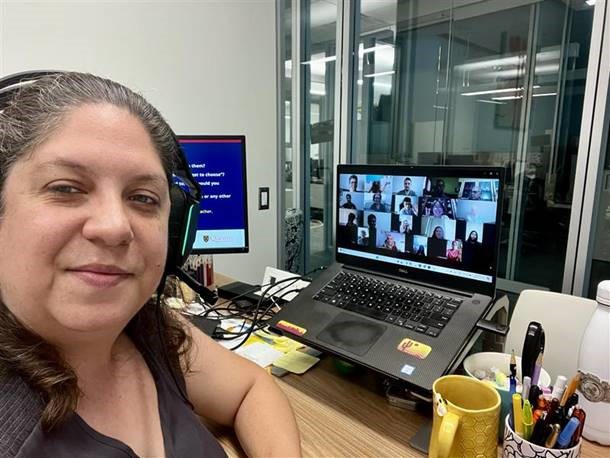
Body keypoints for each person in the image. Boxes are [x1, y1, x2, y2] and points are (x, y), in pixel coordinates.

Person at [0, 72, 300, 457]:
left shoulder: (149, 331)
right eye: (66, 188)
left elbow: (251, 388)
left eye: (143, 198)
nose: (114, 227)